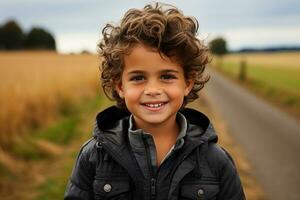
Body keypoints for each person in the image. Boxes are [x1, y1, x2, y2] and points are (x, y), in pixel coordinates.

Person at [64, 2, 245, 200]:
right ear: (120, 86)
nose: (152, 90)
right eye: (138, 78)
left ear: (187, 83)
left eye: (167, 76)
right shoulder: (94, 157)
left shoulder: (216, 161)